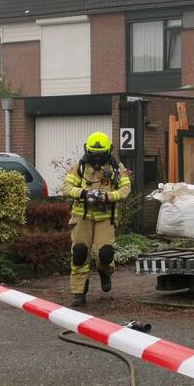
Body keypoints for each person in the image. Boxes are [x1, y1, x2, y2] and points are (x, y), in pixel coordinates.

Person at [62, 131, 132, 307]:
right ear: (87, 150)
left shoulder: (116, 168)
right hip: (82, 217)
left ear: (108, 151)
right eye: (94, 153)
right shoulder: (79, 167)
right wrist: (83, 193)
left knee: (105, 254)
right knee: (80, 252)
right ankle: (79, 291)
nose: (97, 157)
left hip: (105, 218)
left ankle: (105, 272)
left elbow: (125, 189)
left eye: (100, 154)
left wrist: (108, 196)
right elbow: (67, 187)